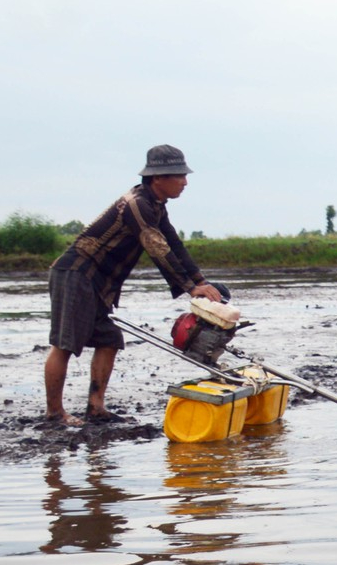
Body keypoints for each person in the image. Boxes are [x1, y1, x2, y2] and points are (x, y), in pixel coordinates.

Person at [45, 145, 224, 426]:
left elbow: (173, 243)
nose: (185, 182)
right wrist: (190, 289)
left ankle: (96, 408)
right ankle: (55, 413)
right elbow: (156, 247)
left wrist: (200, 281)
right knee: (65, 344)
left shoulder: (155, 205)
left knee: (109, 340)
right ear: (158, 178)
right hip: (76, 274)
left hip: (100, 281)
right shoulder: (137, 204)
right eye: (179, 176)